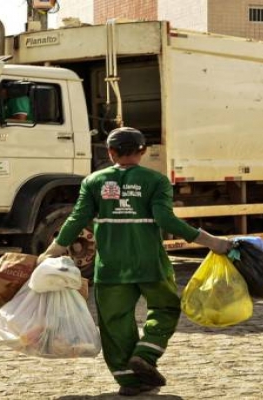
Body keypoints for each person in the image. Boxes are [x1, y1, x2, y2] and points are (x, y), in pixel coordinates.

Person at [37, 127, 232, 397]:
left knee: (115, 323)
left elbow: (76, 219)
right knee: (165, 308)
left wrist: (53, 251)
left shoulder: (93, 182)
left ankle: (130, 382)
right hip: (150, 264)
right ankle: (146, 354)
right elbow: (166, 220)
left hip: (110, 268)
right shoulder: (156, 180)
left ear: (110, 152)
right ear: (142, 151)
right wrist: (214, 242)